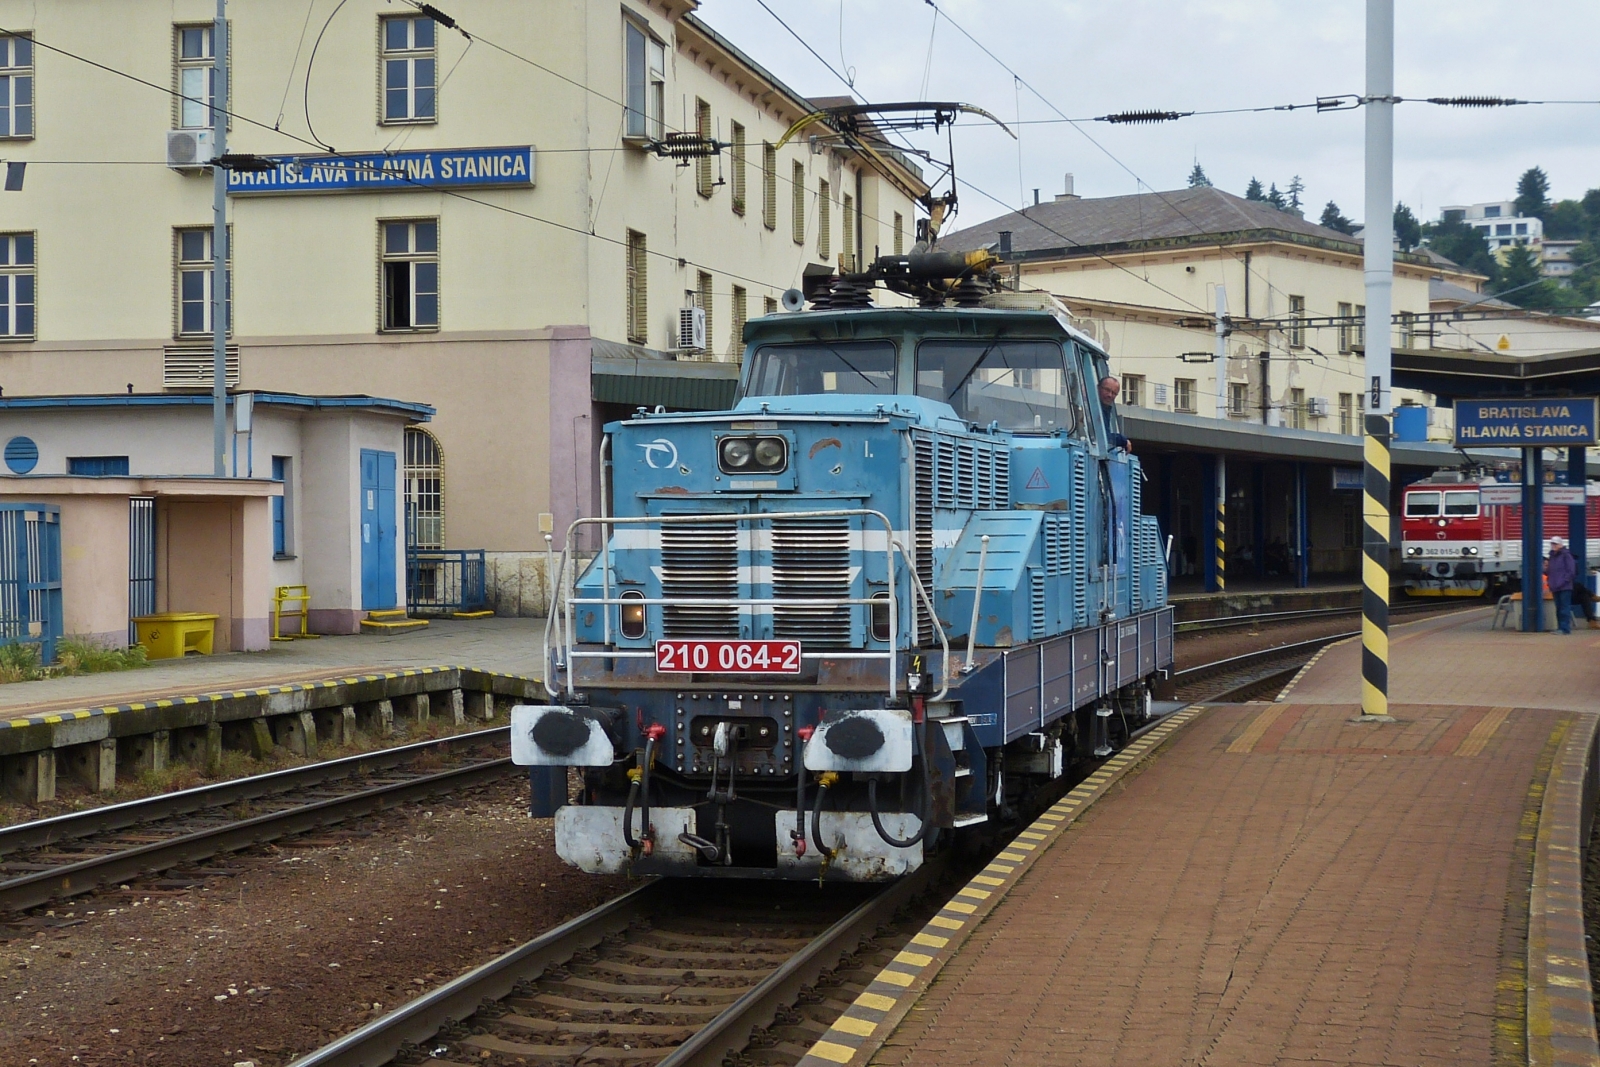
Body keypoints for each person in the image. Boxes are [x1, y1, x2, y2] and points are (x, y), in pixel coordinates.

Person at [1545, 536, 1578, 634]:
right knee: (1558, 608)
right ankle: (1560, 627)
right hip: (1555, 586)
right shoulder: (1552, 556)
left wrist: (1564, 581)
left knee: (1564, 608)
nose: (1553, 546)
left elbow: (1571, 571)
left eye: (1555, 544)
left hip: (1564, 587)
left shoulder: (1566, 555)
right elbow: (1550, 570)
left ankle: (1565, 629)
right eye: (1552, 544)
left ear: (1560, 544)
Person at [1097, 375, 1129, 450]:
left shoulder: (1106, 410)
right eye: (1107, 390)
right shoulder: (1095, 409)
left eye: (1114, 393)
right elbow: (1103, 437)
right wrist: (1123, 440)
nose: (1110, 395)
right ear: (1098, 388)